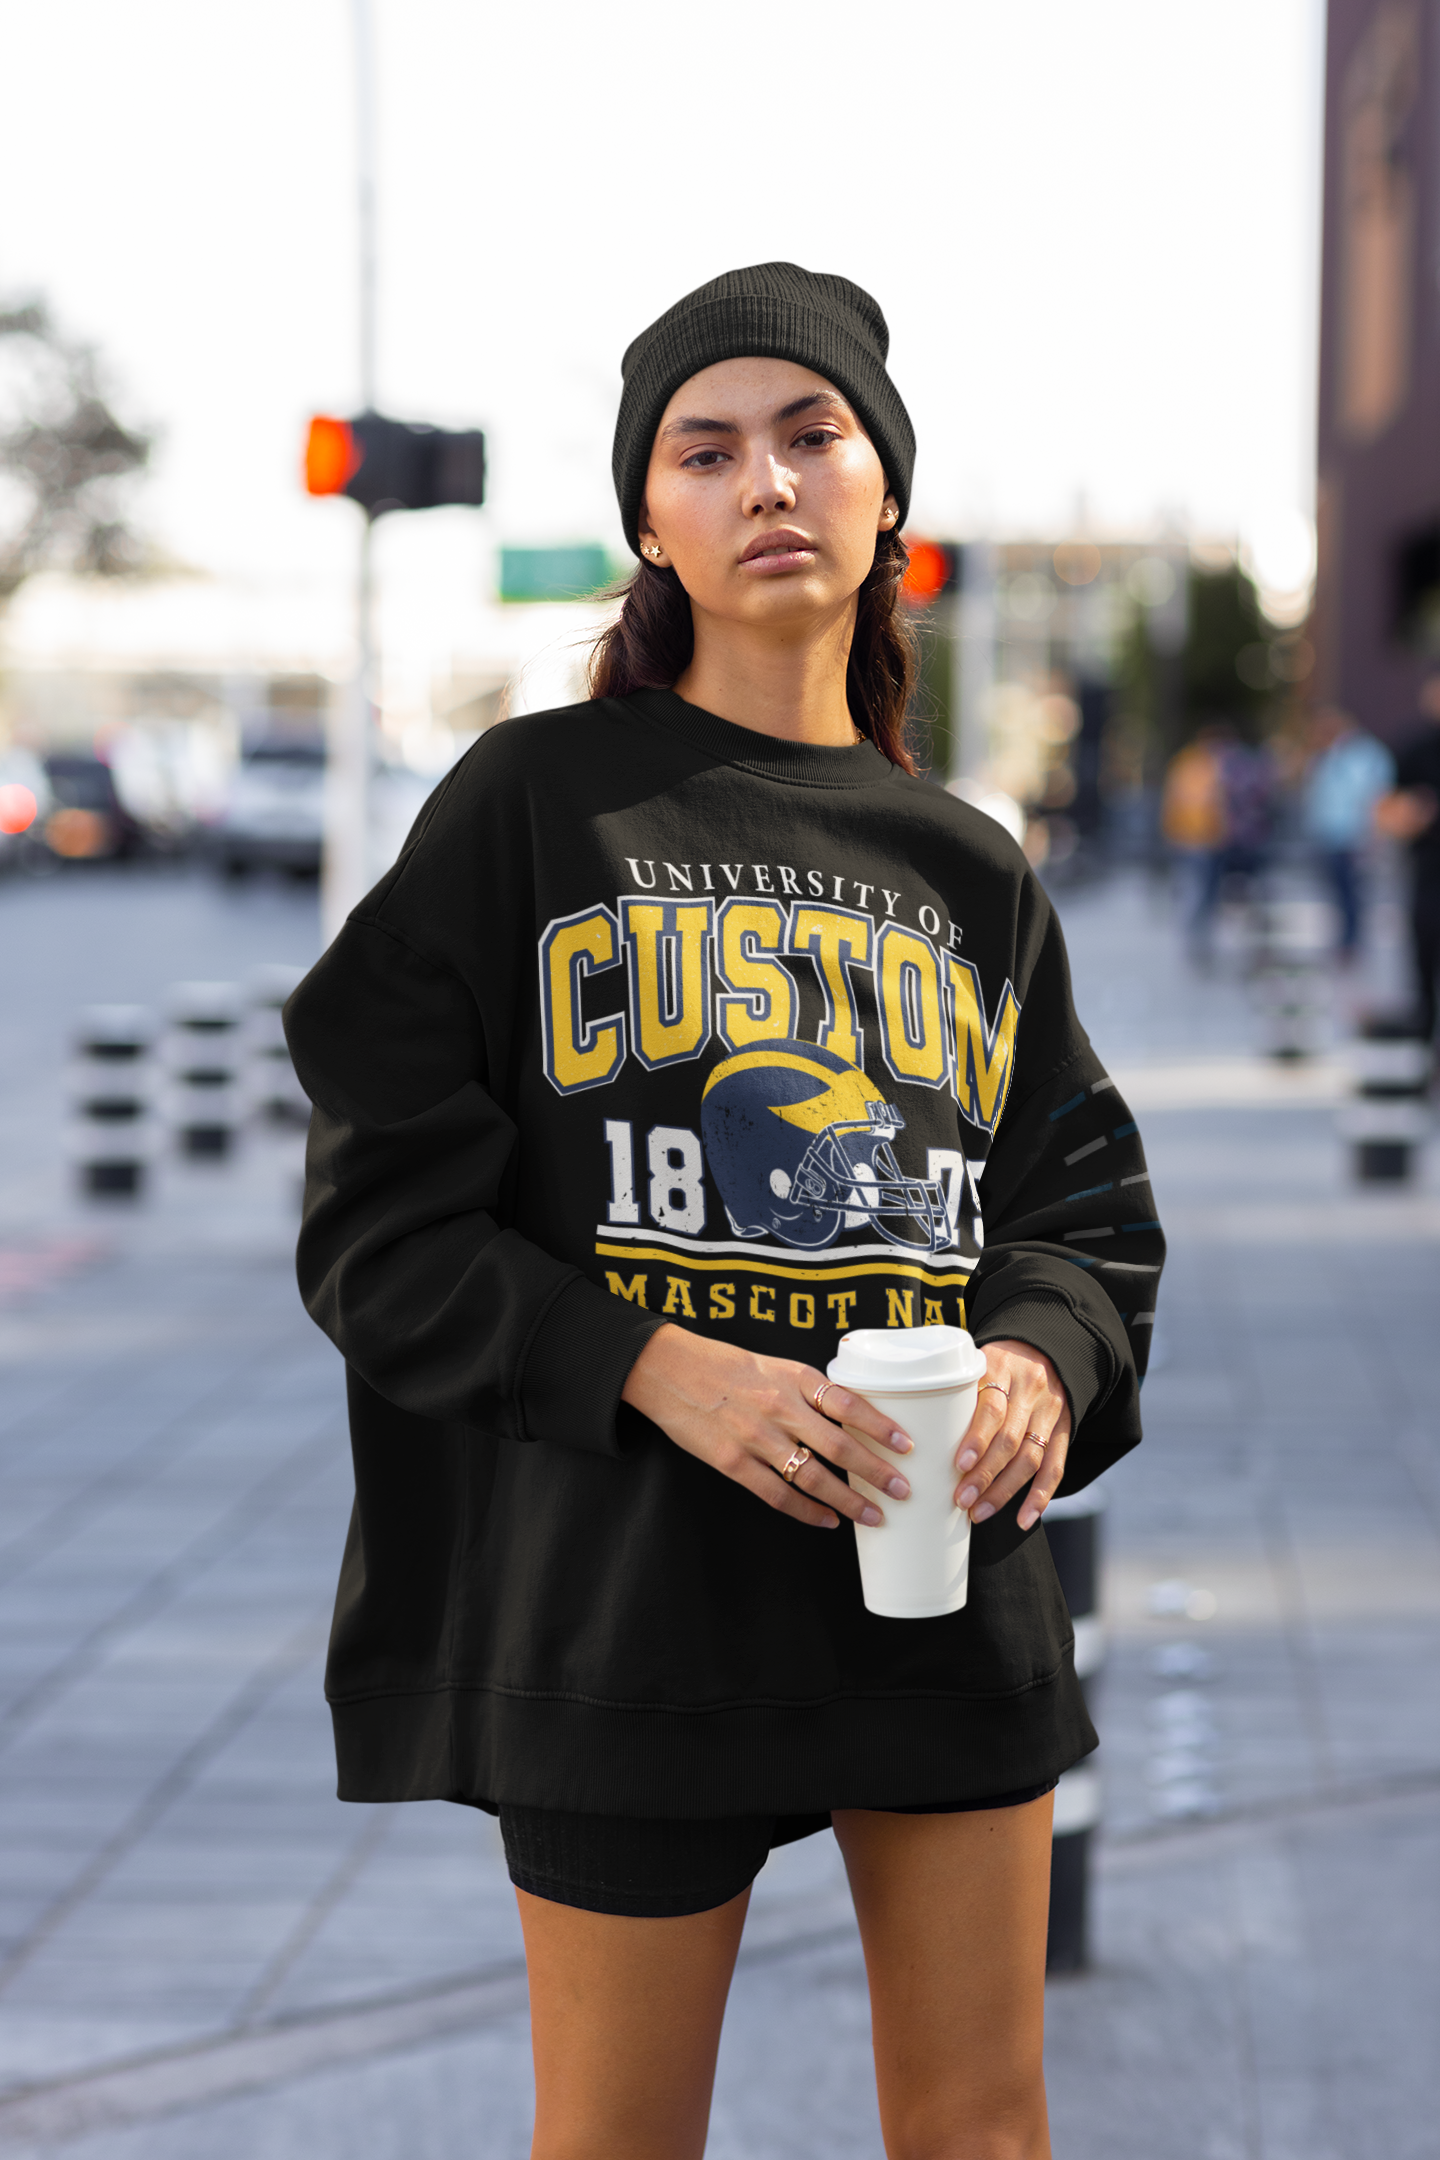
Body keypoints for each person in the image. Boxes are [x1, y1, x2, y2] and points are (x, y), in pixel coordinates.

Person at [283, 263, 1164, 2160]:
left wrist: (1040, 1356)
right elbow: (378, 1232)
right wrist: (657, 1370)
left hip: (938, 1575)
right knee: (617, 2143)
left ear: (883, 501)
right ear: (652, 524)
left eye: (810, 431)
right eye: (709, 448)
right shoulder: (533, 809)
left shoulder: (966, 865)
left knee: (984, 2133)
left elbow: (1081, 1201)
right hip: (628, 1598)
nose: (766, 479)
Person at [1375, 671, 1440, 1041]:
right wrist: (1413, 814)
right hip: (1428, 872)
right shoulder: (1414, 747)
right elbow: (1386, 812)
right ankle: (1426, 1030)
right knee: (1425, 957)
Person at [1300, 706, 1393, 958]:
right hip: (1329, 835)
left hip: (1354, 836)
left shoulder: (1367, 755)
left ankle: (1352, 942)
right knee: (1338, 893)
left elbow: (1377, 797)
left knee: (1353, 893)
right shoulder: (1326, 755)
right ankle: (1346, 939)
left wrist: (1374, 835)